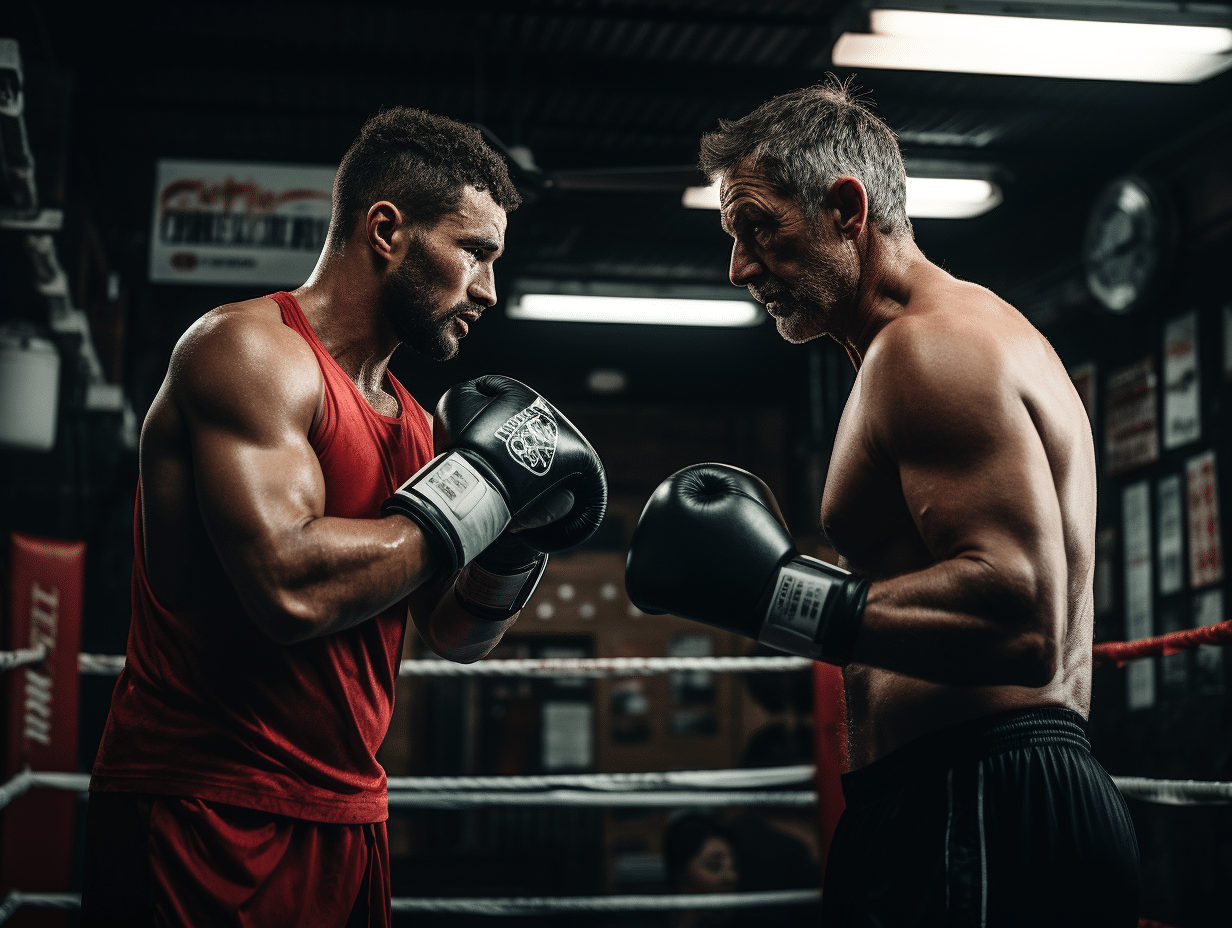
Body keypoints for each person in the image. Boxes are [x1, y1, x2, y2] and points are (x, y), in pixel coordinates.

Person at [625, 78, 1140, 926]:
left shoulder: (929, 350)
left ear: (846, 208)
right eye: (733, 237)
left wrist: (777, 592)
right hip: (967, 798)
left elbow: (1023, 621)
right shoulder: (938, 343)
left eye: (760, 227)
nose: (740, 266)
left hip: (980, 799)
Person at [80, 107, 606, 927]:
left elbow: (453, 635)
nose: (489, 290)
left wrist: (517, 543)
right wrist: (479, 495)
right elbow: (289, 590)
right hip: (208, 806)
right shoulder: (248, 352)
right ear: (387, 230)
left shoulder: (419, 424)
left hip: (350, 814)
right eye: (474, 252)